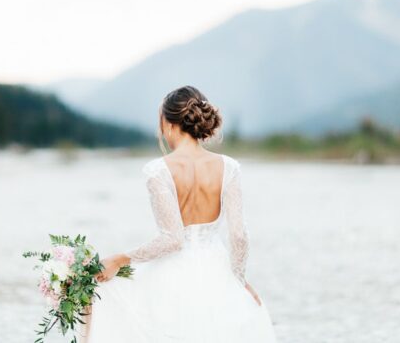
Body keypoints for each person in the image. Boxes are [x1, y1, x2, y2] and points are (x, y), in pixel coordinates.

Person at [84, 85, 277, 343]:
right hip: (216, 270)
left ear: (169, 124)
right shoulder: (229, 168)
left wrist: (120, 259)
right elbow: (240, 236)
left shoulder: (158, 171)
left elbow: (172, 239)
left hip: (172, 275)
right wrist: (238, 281)